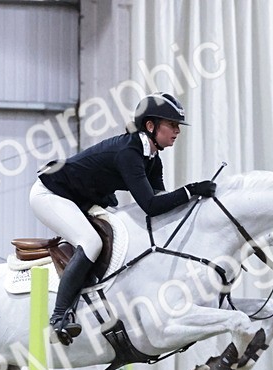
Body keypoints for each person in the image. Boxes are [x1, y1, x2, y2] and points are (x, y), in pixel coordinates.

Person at [30, 92, 217, 345]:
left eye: (178, 126)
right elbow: (150, 205)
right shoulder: (129, 153)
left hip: (82, 198)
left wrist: (195, 203)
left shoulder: (152, 159)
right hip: (50, 194)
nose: (177, 131)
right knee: (91, 242)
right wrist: (191, 190)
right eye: (172, 125)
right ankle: (58, 317)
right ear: (151, 126)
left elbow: (162, 203)